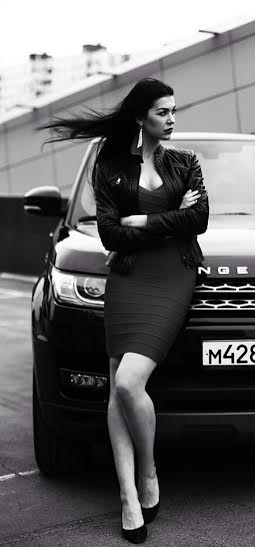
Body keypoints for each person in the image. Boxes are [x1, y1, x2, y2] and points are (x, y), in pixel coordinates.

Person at [37, 77, 209, 543]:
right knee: (118, 385)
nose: (171, 119)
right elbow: (110, 234)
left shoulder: (186, 162)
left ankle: (148, 472)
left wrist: (144, 219)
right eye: (162, 112)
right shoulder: (109, 166)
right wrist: (167, 220)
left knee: (131, 382)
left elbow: (199, 220)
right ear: (140, 117)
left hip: (172, 276)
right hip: (129, 279)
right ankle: (128, 496)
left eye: (174, 111)